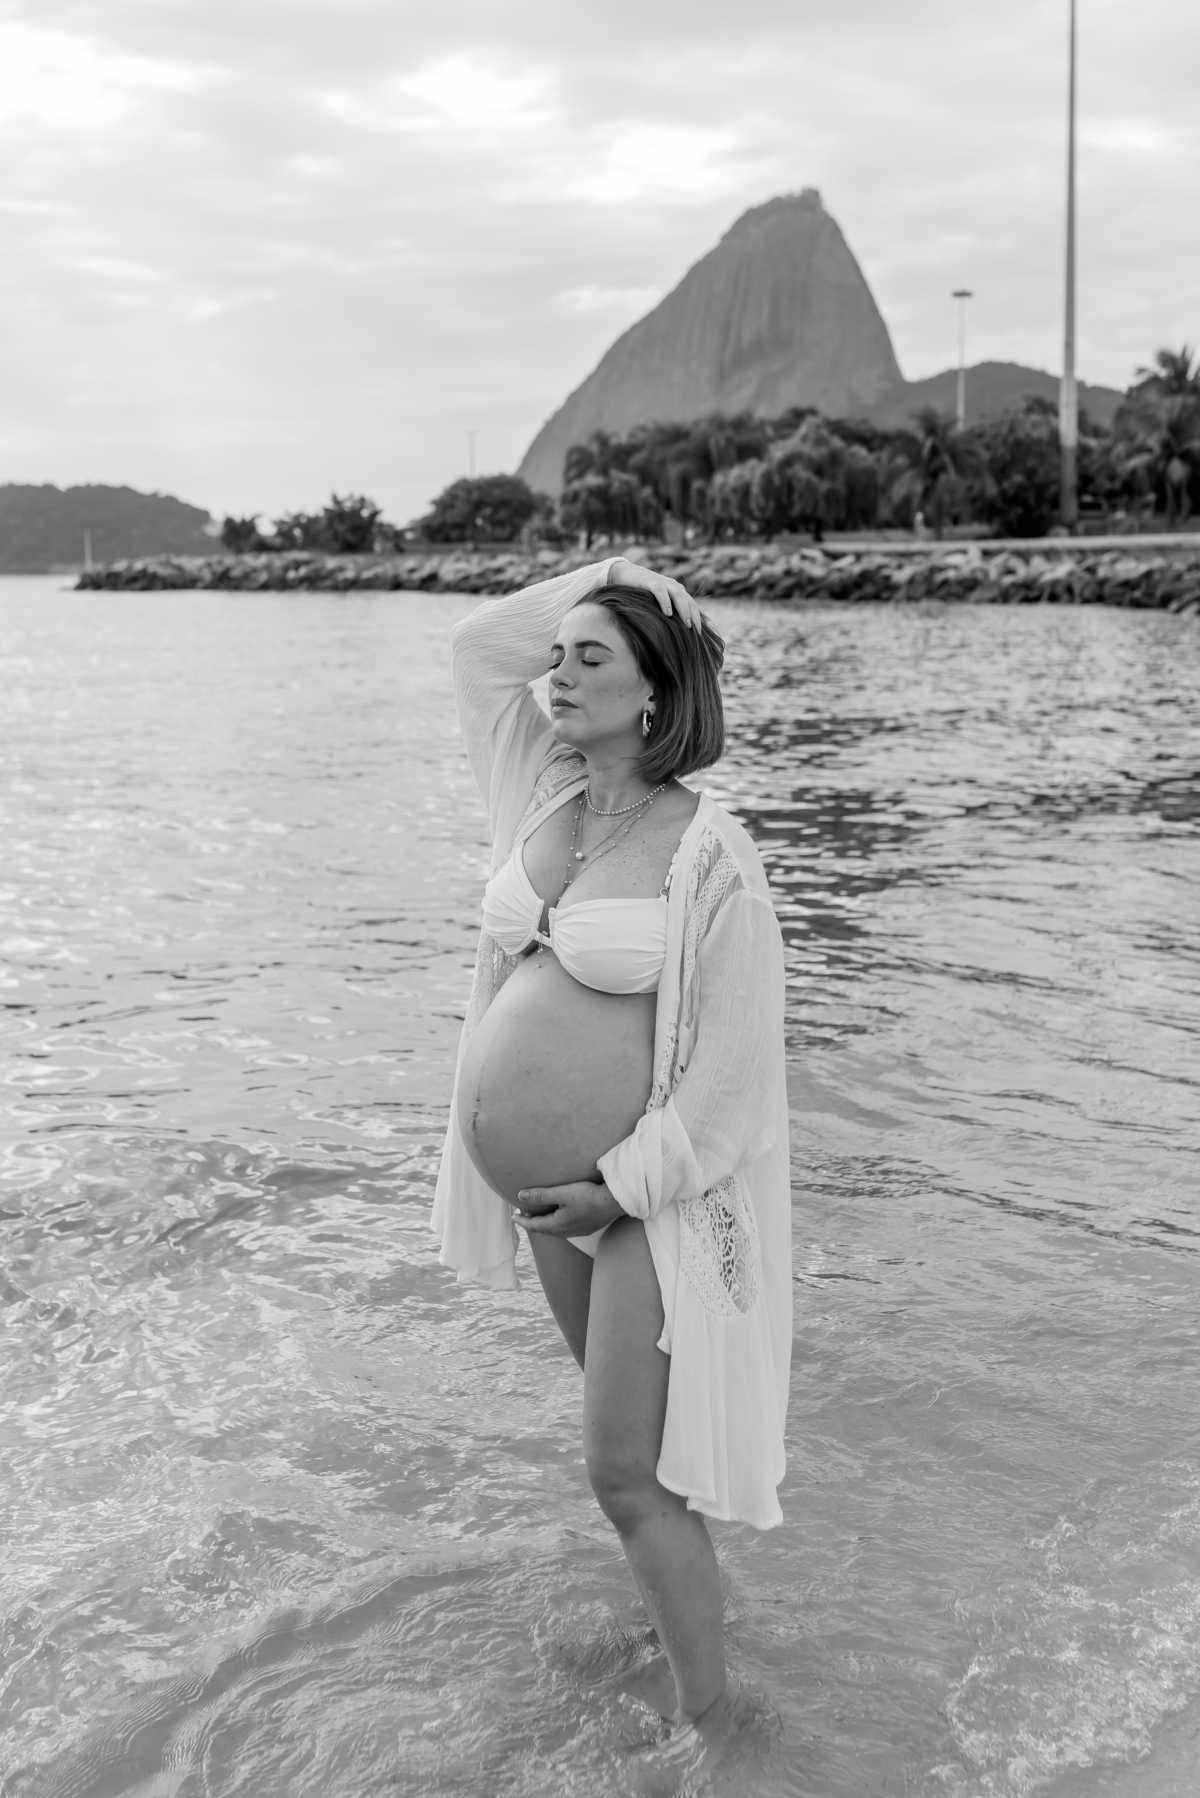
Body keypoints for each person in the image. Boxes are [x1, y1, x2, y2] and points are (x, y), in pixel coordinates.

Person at [432, 554, 791, 1724]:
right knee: (646, 1458)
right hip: (553, 1198)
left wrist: (616, 1191)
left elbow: (732, 1085)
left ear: (654, 694)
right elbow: (481, 647)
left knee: (623, 1471)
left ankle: (720, 1727)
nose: (558, 672)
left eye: (593, 656)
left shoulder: (711, 854)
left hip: (647, 1201)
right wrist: (614, 578)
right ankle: (669, 1637)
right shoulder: (541, 791)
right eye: (561, 654)